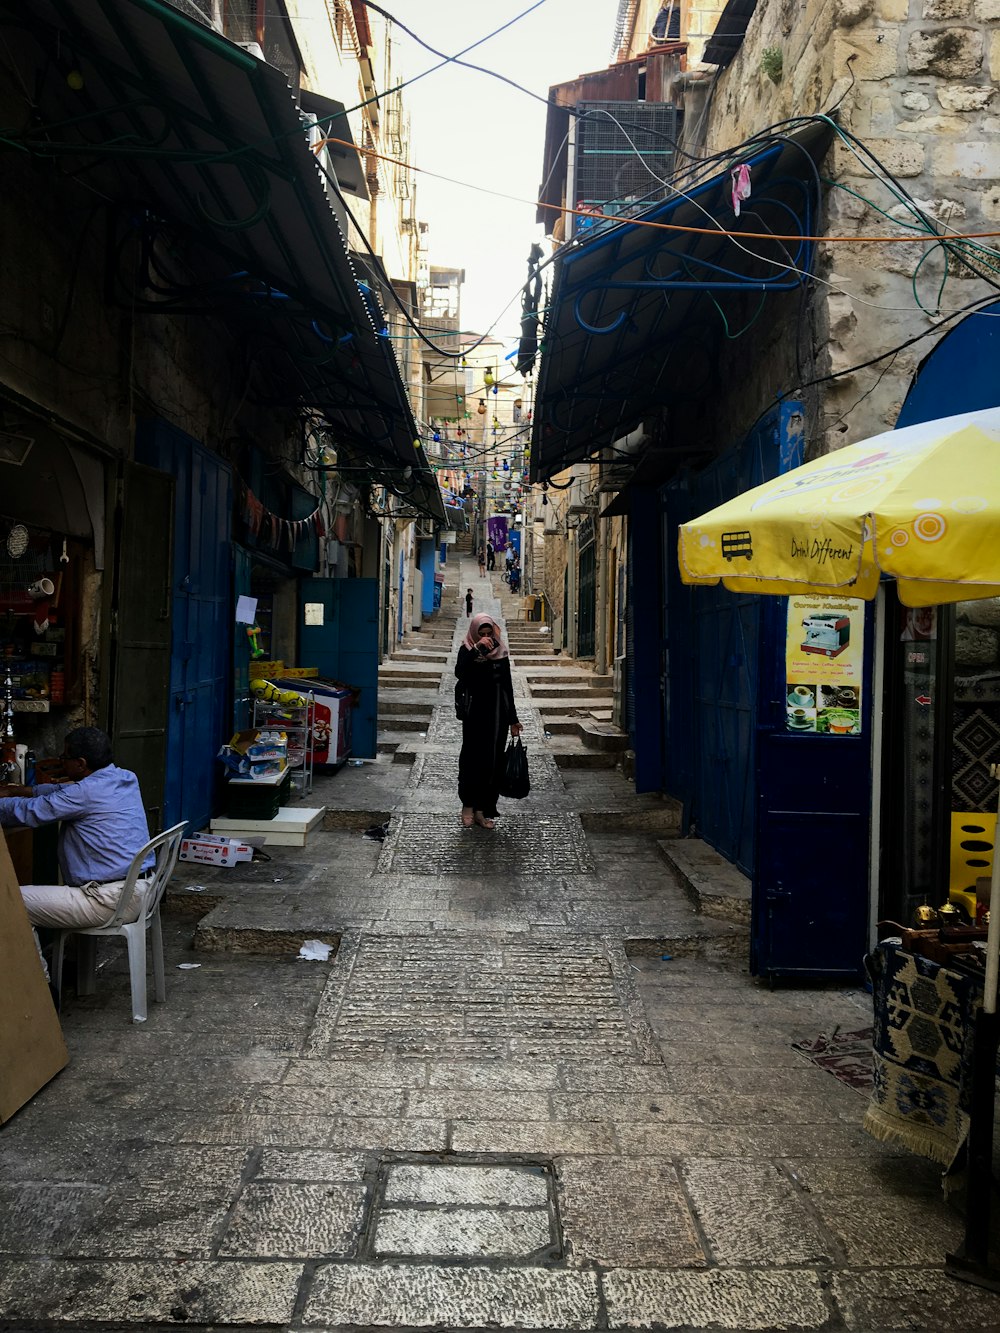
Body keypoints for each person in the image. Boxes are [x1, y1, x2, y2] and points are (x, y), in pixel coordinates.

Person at [0, 726, 154, 933]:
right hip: (143, 891)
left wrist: (10, 800)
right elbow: (66, 791)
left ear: (80, 764)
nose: (62, 761)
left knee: (8, 902)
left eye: (64, 757)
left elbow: (31, 812)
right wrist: (24, 790)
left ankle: (35, 967)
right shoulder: (125, 777)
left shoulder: (83, 794)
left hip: (108, 900)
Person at [455, 614, 522, 829]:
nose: (485, 638)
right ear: (475, 633)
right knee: (472, 759)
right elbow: (461, 673)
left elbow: (507, 686)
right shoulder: (467, 650)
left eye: (488, 634)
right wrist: (477, 650)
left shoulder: (500, 652)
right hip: (475, 713)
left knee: (492, 762)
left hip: (497, 715)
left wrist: (513, 719)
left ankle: (483, 809)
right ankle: (468, 806)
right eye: (481, 634)